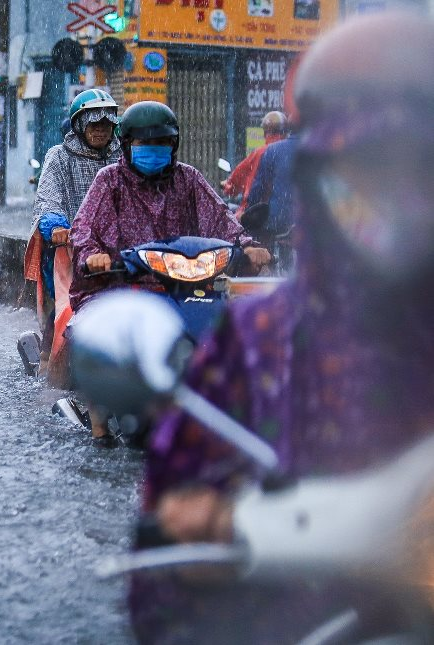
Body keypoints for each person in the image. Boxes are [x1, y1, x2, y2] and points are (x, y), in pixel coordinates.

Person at [129, 13, 434, 643]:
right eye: (366, 173)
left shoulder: (191, 183)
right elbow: (159, 584)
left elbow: (231, 218)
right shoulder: (257, 340)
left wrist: (243, 241)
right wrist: (198, 543)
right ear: (320, 183)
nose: (401, 198)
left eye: (420, 170)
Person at [70, 101, 270, 314]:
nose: (154, 147)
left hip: (186, 288)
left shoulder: (188, 178)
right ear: (127, 143)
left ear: (173, 144)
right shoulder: (110, 180)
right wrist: (94, 256)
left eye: (162, 142)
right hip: (119, 290)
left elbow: (219, 218)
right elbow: (84, 230)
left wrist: (247, 247)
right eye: (145, 142)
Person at [23, 88, 121, 379]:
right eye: (94, 124)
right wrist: (57, 227)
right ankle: (48, 356)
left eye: (106, 124)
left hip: (117, 247)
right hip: (70, 246)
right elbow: (48, 200)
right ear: (80, 125)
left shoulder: (123, 156)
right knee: (65, 305)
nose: (101, 130)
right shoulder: (59, 157)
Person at [220, 110, 287, 210]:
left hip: (256, 211)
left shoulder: (260, 153)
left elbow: (236, 180)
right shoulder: (293, 150)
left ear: (265, 132)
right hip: (288, 211)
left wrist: (228, 186)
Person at [247, 121, 300, 235]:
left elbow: (258, 187)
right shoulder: (321, 152)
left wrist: (251, 207)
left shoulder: (271, 150)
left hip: (278, 219)